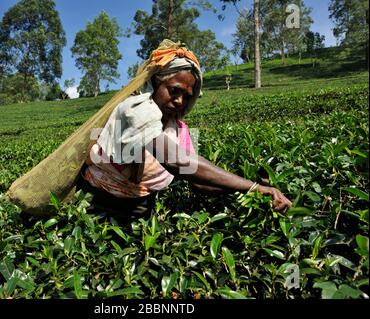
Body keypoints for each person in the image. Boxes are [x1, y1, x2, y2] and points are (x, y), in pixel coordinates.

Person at [77, 42, 292, 220]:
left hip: (140, 209)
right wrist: (252, 187)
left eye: (187, 96)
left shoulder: (180, 130)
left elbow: (197, 181)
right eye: (174, 91)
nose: (179, 101)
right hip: (97, 205)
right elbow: (176, 161)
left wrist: (248, 187)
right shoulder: (132, 110)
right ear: (155, 83)